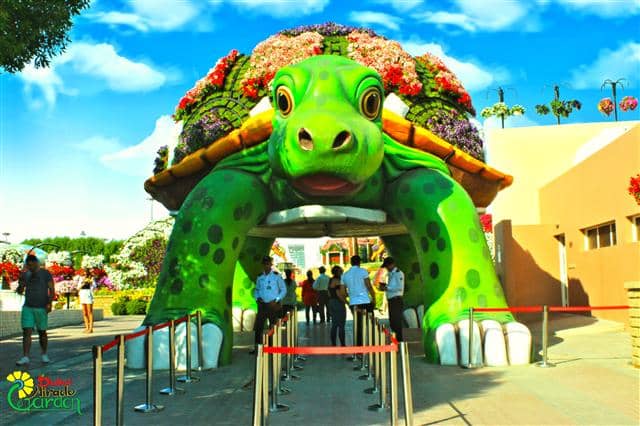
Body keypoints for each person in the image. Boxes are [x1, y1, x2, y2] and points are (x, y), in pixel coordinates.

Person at [15, 255, 55, 365]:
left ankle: (44, 354)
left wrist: (49, 303)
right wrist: (21, 286)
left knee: (42, 332)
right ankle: (25, 356)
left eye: (32, 265)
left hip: (41, 307)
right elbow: (19, 291)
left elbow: (51, 290)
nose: (30, 268)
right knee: (26, 331)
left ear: (37, 263)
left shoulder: (45, 274)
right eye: (28, 266)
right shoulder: (25, 275)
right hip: (28, 306)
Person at [252, 256, 286, 352]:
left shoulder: (276, 276)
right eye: (264, 264)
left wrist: (277, 300)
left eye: (268, 263)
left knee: (272, 326)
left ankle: (271, 347)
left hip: (272, 305)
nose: (266, 265)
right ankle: (257, 347)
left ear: (271, 265)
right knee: (259, 326)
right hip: (262, 305)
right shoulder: (260, 277)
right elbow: (257, 290)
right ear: (262, 265)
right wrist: (257, 298)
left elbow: (283, 290)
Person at [342, 255, 376, 346]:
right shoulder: (363, 271)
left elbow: (343, 293)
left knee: (358, 325)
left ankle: (359, 348)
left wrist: (352, 294)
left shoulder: (344, 275)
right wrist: (374, 297)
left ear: (351, 262)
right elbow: (369, 286)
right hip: (365, 301)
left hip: (354, 303)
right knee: (371, 324)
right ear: (359, 262)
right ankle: (373, 345)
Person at [378, 257, 405, 341]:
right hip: (391, 300)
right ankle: (395, 339)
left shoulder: (398, 273)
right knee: (392, 322)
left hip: (396, 300)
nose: (387, 268)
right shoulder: (390, 274)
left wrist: (387, 288)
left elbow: (399, 288)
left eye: (387, 266)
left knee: (396, 322)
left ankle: (399, 341)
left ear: (392, 264)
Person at [328, 265, 348, 346]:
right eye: (341, 271)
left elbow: (329, 293)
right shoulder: (337, 281)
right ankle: (343, 344)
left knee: (334, 324)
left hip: (331, 302)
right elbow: (339, 294)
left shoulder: (331, 280)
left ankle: (333, 344)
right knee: (341, 325)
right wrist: (347, 302)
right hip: (338, 303)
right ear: (338, 272)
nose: (342, 272)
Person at [76, 269, 96, 333]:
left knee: (89, 311)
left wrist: (91, 282)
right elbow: (78, 288)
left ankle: (91, 328)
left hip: (88, 294)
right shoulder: (81, 279)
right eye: (83, 274)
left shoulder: (91, 279)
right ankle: (86, 327)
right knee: (84, 312)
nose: (84, 275)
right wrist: (83, 283)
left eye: (86, 274)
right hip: (82, 294)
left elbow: (95, 287)